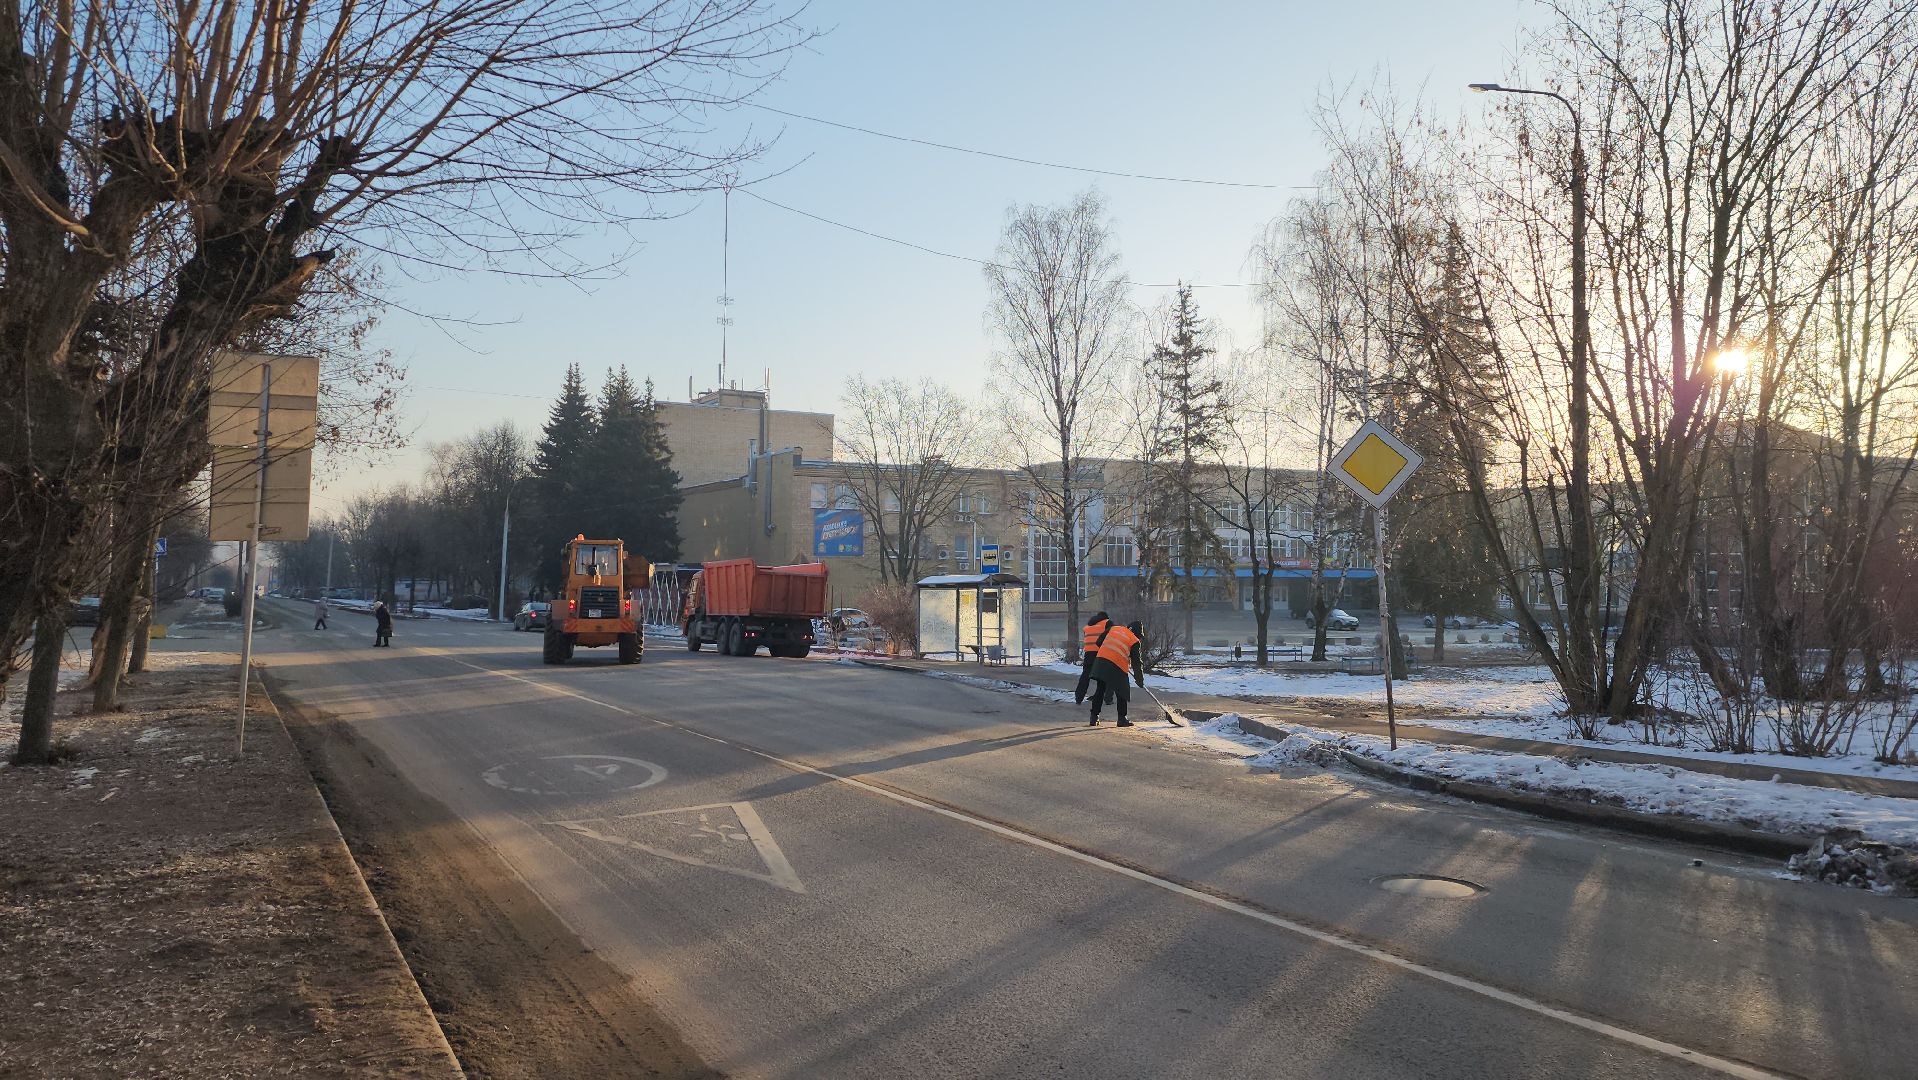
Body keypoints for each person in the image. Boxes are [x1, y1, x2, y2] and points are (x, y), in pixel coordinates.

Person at [1087, 619, 1144, 727]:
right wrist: (1139, 679)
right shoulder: (1134, 640)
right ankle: (1122, 719)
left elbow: (1099, 642)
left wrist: (1109, 651)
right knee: (1122, 690)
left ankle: (1094, 717)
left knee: (1100, 689)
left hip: (1101, 661)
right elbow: (1136, 662)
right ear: (1137, 633)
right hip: (1117, 664)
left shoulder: (1114, 629)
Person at [1073, 611, 1111, 705]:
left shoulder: (1088, 626)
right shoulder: (1107, 623)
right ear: (1105, 618)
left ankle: (1079, 697)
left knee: (1086, 675)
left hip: (1089, 653)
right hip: (1101, 652)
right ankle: (1107, 698)